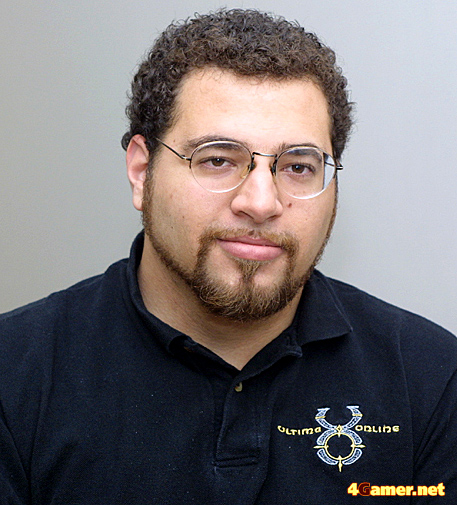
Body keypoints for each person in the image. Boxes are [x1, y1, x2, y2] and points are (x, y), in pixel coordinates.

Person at [0, 8, 456, 504]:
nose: (261, 202)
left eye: (298, 167)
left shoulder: (432, 380)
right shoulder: (15, 375)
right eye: (218, 159)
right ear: (142, 172)